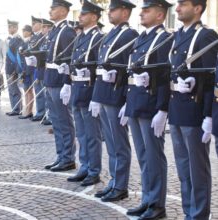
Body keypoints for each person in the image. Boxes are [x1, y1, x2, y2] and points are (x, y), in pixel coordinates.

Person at [124, 0, 173, 219]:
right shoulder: (142, 38)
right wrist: (127, 102)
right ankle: (147, 199)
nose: (142, 13)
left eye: (147, 10)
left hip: (151, 105)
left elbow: (164, 76)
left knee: (153, 156)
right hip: (136, 103)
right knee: (143, 156)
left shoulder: (163, 39)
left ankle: (157, 205)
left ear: (160, 15)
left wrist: (162, 109)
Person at [168, 0, 217, 219]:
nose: (177, 8)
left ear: (197, 8)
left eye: (183, 4)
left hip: (195, 112)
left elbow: (210, 79)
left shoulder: (206, 36)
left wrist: (208, 115)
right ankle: (189, 212)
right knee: (183, 169)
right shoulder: (178, 34)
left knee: (197, 171)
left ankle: (198, 215)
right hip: (177, 108)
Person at [90, 0, 138, 202]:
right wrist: (96, 97)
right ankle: (113, 181)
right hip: (104, 93)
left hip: (117, 95)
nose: (109, 13)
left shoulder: (130, 35)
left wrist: (128, 100)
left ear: (125, 12)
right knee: (110, 143)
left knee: (119, 144)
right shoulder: (111, 34)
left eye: (114, 10)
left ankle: (121, 185)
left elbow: (130, 69)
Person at [65, 0, 104, 187]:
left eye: (83, 14)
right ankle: (84, 166)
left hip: (90, 90)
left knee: (92, 134)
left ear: (94, 17)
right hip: (78, 89)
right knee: (81, 133)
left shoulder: (98, 37)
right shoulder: (80, 37)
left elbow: (99, 67)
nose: (79, 17)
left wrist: (96, 97)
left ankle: (94, 170)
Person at [43, 0, 77, 172]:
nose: (50, 11)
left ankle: (68, 157)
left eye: (54, 8)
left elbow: (70, 59)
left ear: (63, 11)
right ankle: (60, 155)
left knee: (64, 120)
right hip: (50, 78)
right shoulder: (55, 30)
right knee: (56, 121)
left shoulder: (67, 31)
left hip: (59, 80)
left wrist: (67, 83)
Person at [5, 20, 24, 116]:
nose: (8, 29)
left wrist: (15, 71)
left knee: (15, 89)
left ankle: (17, 109)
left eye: (10, 27)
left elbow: (17, 57)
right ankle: (14, 108)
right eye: (8, 27)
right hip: (8, 68)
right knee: (11, 89)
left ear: (15, 28)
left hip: (13, 69)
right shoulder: (10, 39)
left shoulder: (18, 39)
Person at [29, 16, 47, 122]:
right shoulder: (35, 37)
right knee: (38, 93)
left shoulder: (43, 37)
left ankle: (46, 114)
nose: (33, 26)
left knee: (44, 94)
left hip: (43, 68)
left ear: (40, 25)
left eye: (34, 24)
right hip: (36, 68)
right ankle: (40, 112)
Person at [19, 25, 35, 119]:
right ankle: (27, 109)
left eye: (25, 31)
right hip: (24, 69)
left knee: (29, 90)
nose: (23, 33)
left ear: (29, 32)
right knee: (26, 90)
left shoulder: (31, 42)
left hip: (30, 69)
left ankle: (29, 110)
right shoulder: (24, 42)